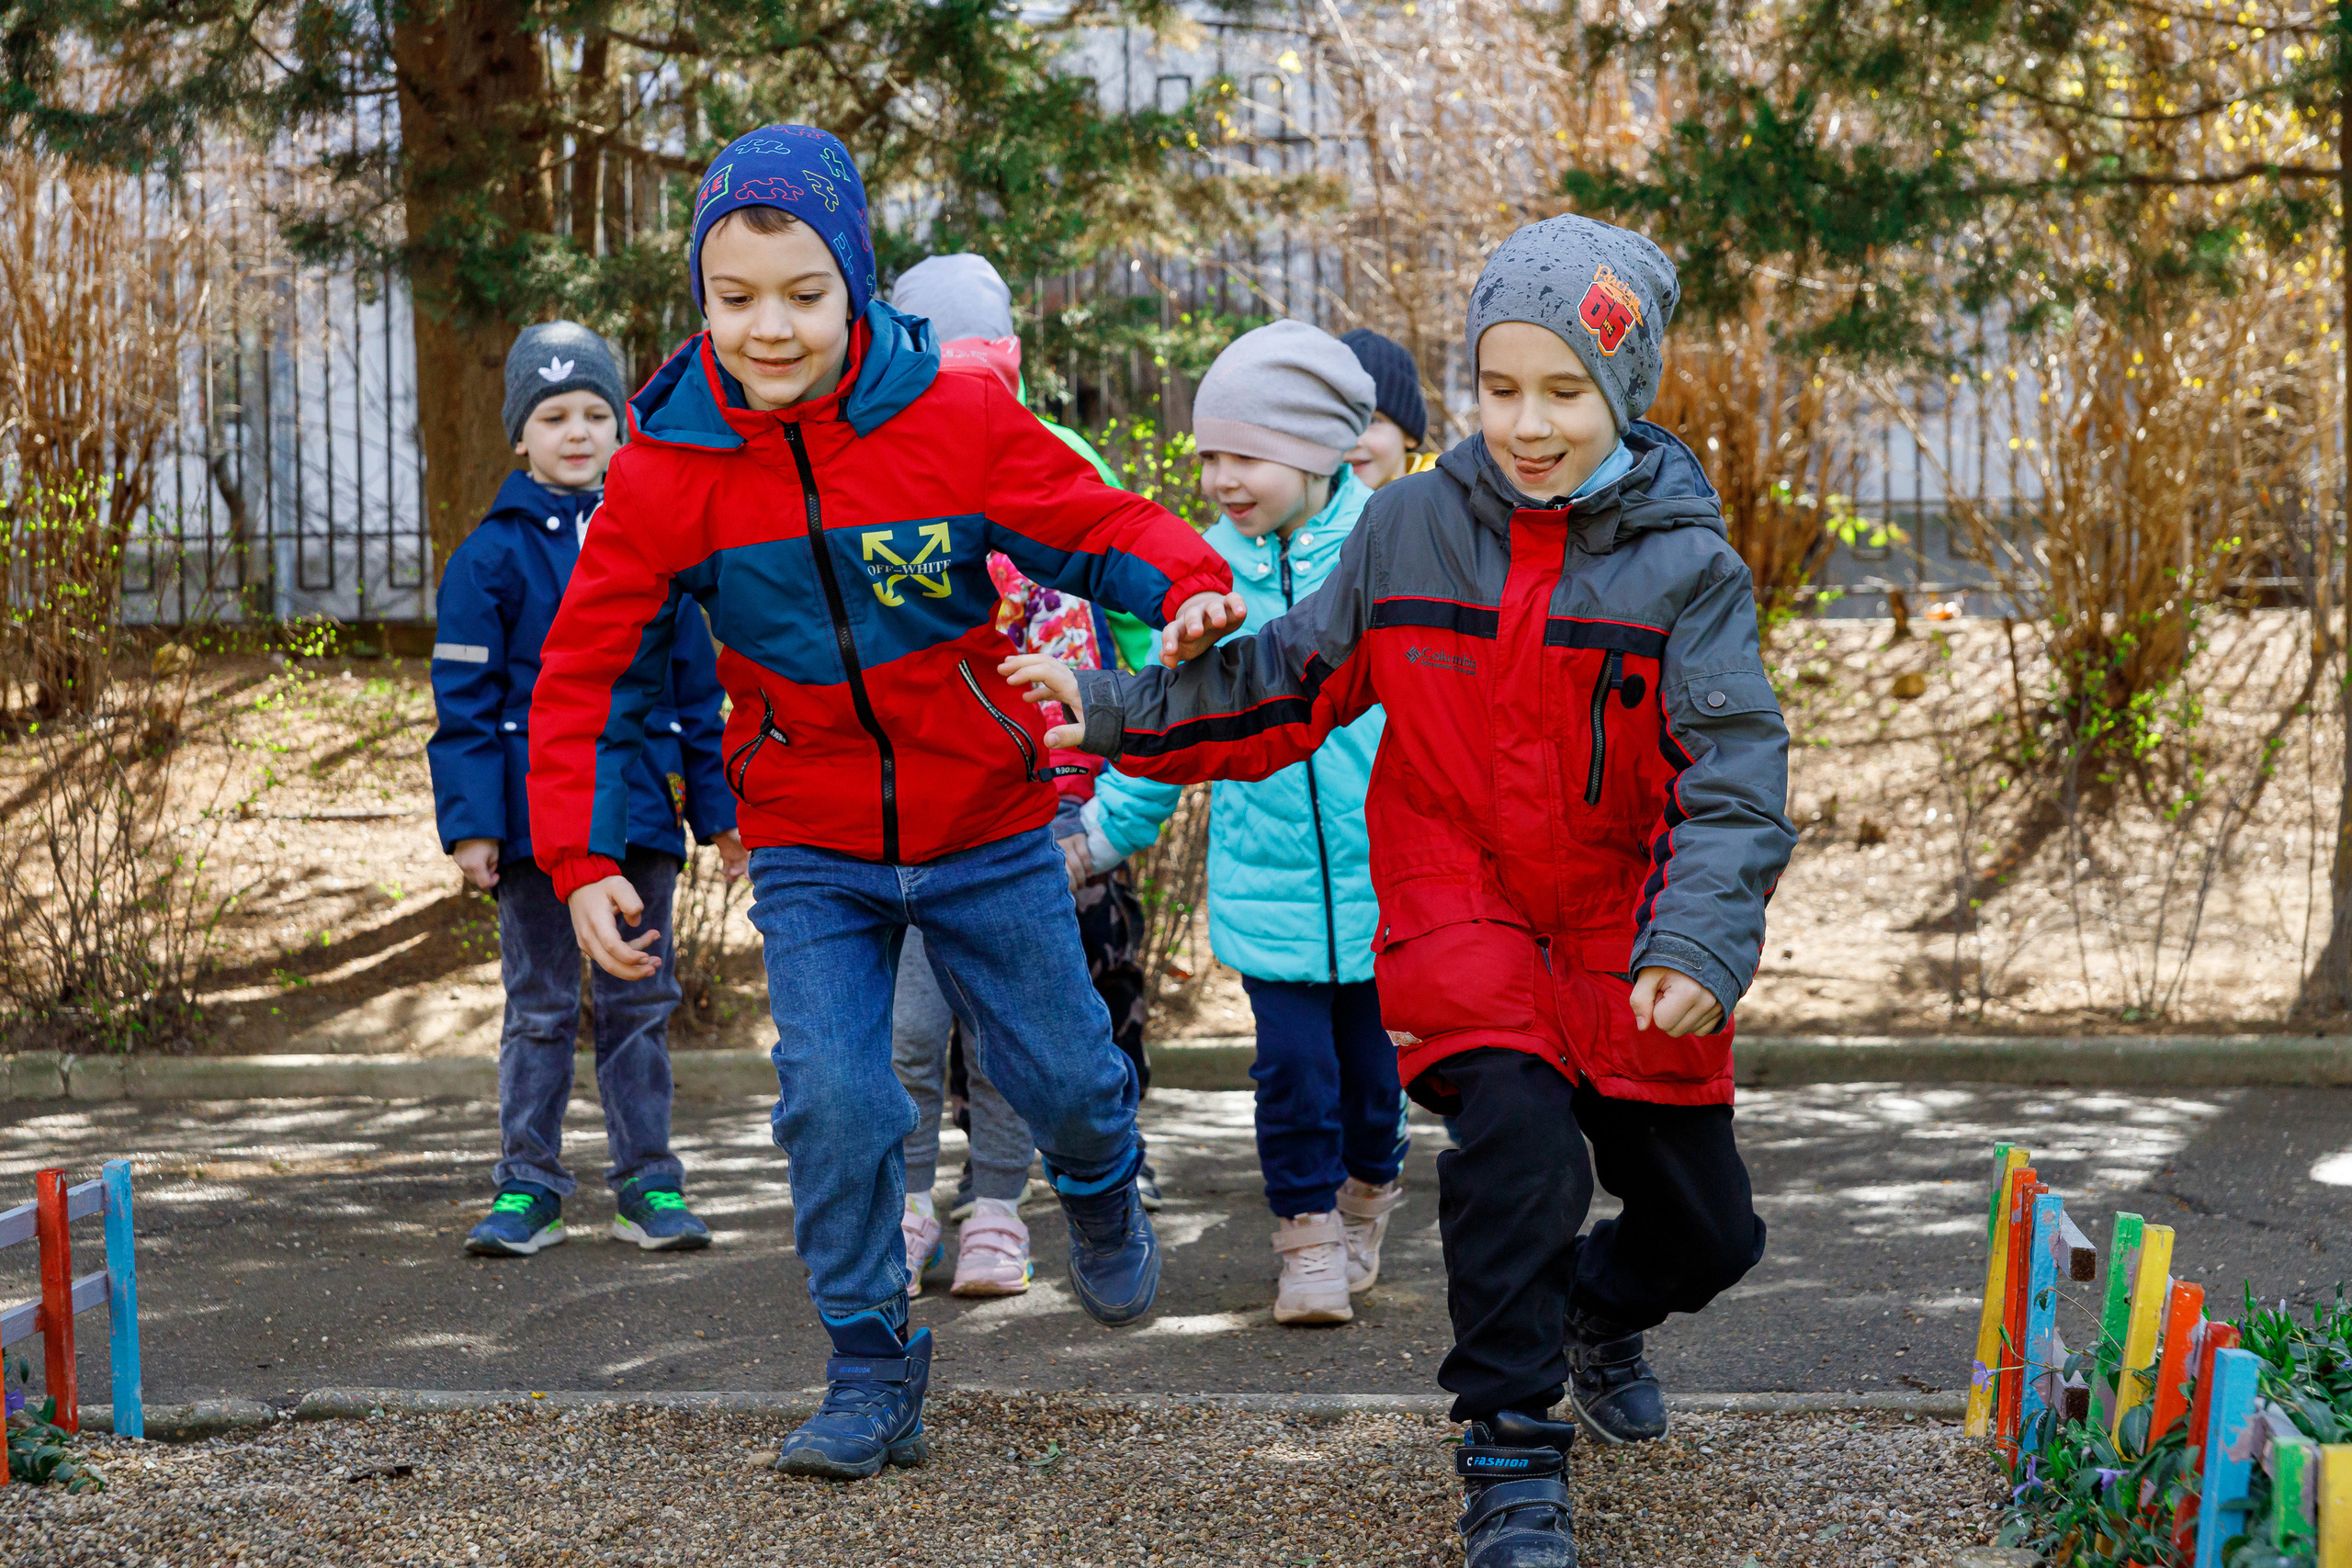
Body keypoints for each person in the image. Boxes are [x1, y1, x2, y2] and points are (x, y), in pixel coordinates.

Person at [1003, 217, 1792, 1568]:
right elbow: (1281, 681)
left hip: (1627, 931)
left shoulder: (1690, 567)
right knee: (1520, 1150)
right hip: (1463, 906)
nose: (1527, 423)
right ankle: (1509, 1449)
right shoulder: (1411, 526)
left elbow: (1730, 772)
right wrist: (1116, 706)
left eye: (1566, 392)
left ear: (1626, 392)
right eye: (1498, 388)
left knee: (1711, 1229)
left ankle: (1596, 1311)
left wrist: (1703, 939)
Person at [525, 126, 1240, 1482]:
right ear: (700, 298)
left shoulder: (953, 420)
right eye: (733, 297)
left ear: (854, 277)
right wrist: (574, 853)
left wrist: (1186, 582)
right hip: (814, 840)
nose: (769, 326)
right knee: (838, 1100)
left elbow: (1096, 523)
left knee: (1073, 1077)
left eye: (801, 291)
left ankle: (1097, 1187)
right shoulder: (667, 469)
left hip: (983, 821)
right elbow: (577, 673)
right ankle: (867, 1366)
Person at [1072, 321, 1407, 1326]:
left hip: (1390, 878)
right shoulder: (1204, 585)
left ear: (1316, 454)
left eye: (1243, 454)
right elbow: (1173, 727)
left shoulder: (1389, 555)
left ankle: (1368, 1195)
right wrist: (1101, 833)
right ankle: (1304, 1238)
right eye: (1207, 453)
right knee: (1291, 1074)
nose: (1218, 476)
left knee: (1377, 1084)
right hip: (1271, 885)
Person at [877, 257, 1165, 1305]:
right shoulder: (878, 467)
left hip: (1044, 789)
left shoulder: (1058, 458)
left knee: (1017, 1023)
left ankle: (996, 1204)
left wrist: (1124, 717)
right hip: (911, 798)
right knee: (907, 1026)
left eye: (980, 374)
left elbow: (1128, 603)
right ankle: (904, 1206)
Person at [428, 321, 743, 1259]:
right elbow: (466, 706)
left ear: (622, 428)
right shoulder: (487, 558)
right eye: (554, 415)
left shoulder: (657, 545)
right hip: (534, 827)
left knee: (641, 1003)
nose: (577, 431)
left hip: (642, 812)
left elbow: (697, 694)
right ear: (519, 436)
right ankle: (528, 1184)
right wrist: (472, 824)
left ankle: (648, 1181)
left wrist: (720, 812)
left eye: (596, 414)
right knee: (539, 1007)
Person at [1340, 329, 1437, 490]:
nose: (1354, 441)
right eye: (1340, 419)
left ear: (1408, 434)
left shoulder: (1443, 504)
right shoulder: (1309, 509)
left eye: (1372, 420)